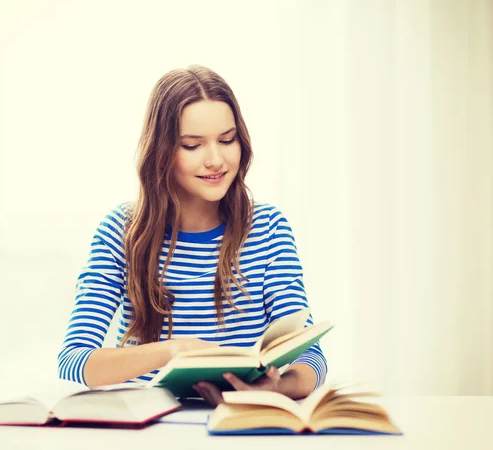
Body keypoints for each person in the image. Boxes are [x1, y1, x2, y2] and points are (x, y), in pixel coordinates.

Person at [58, 65, 327, 405]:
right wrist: (175, 350)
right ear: (162, 152)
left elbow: (311, 358)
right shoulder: (120, 232)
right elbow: (75, 360)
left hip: (241, 420)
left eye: (227, 140)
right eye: (192, 145)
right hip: (152, 425)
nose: (216, 160)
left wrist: (277, 388)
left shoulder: (268, 228)